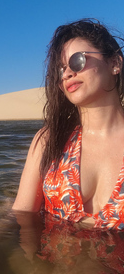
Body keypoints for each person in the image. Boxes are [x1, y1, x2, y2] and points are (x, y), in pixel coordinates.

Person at [13, 18, 124, 230]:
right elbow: (22, 217)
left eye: (77, 61)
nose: (67, 74)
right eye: (60, 69)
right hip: (46, 263)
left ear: (114, 63)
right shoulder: (49, 139)